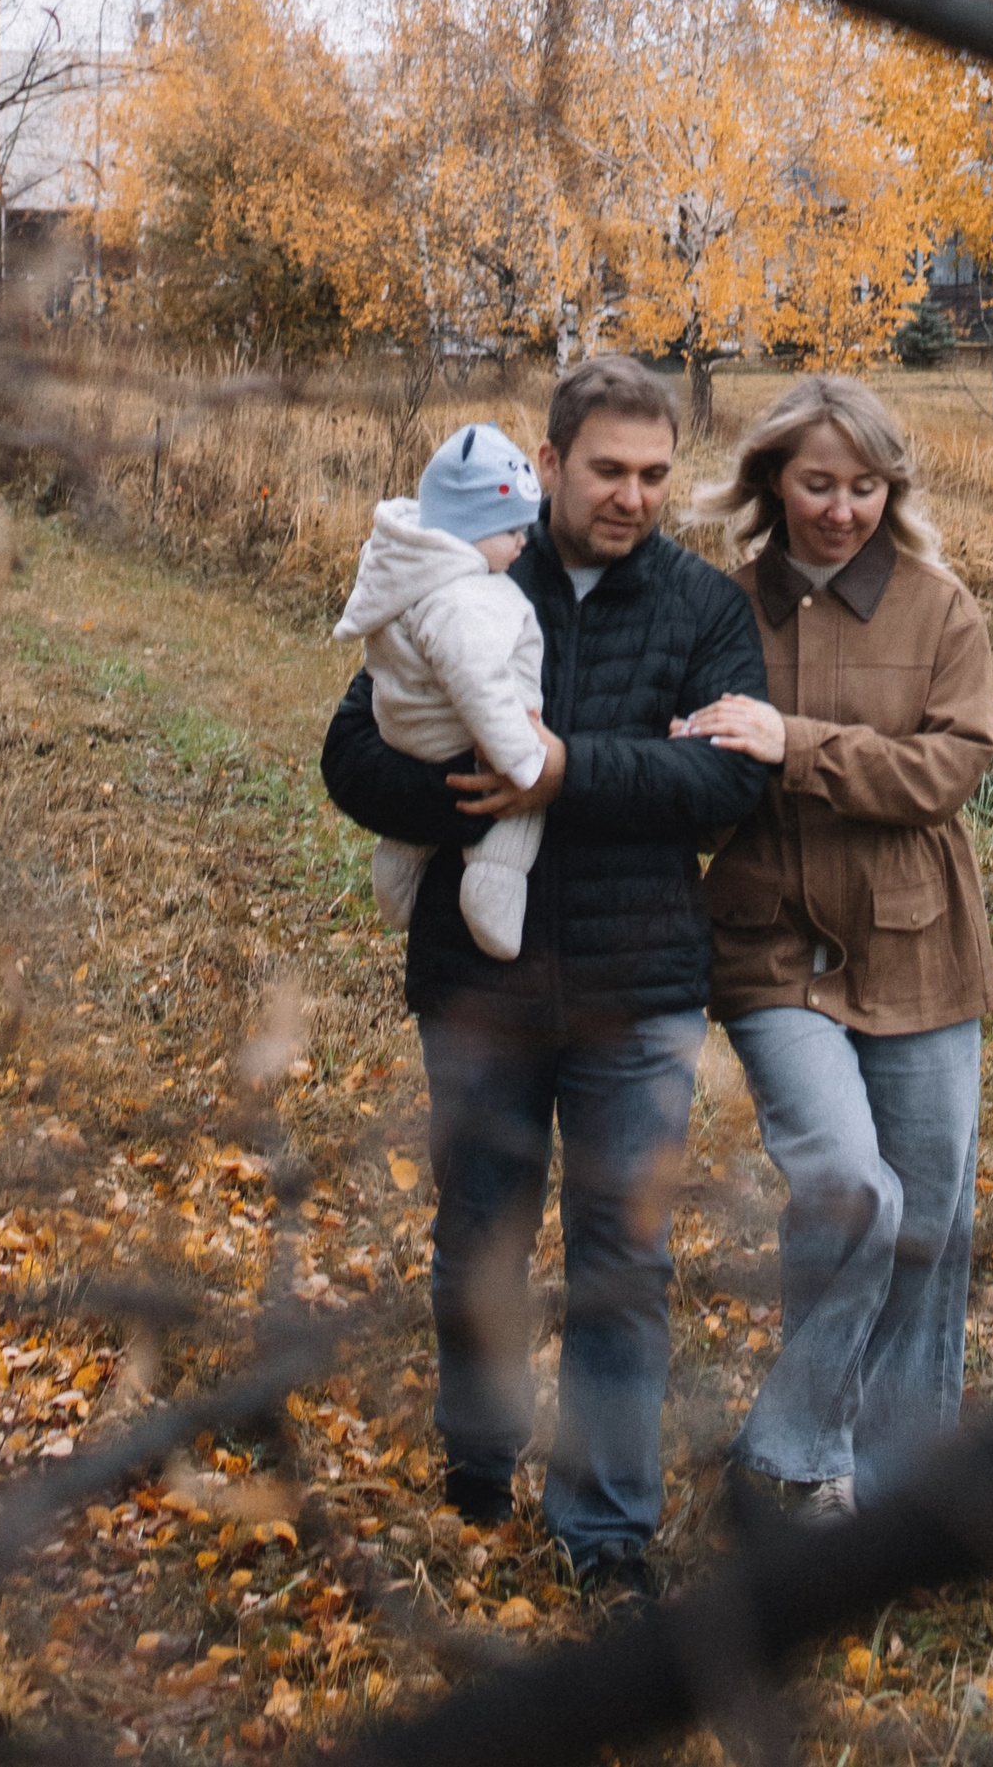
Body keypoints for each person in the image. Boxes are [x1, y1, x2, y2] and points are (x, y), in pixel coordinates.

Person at [321, 355, 767, 1595]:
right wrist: (476, 797)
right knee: (479, 1230)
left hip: (640, 982)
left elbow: (730, 776)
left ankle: (607, 1528)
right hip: (478, 980)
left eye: (654, 473)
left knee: (623, 1258)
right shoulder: (461, 573)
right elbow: (351, 751)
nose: (632, 495)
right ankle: (477, 1459)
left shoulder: (700, 607)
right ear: (551, 460)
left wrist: (568, 772)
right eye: (609, 470)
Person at [672, 375, 993, 1521]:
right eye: (818, 482)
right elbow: (705, 796)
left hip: (917, 948)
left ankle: (898, 1494)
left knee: (929, 1218)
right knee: (852, 1190)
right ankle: (795, 1458)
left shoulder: (940, 608)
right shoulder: (717, 609)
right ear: (772, 481)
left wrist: (791, 743)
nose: (842, 509)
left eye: (865, 485)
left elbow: (942, 772)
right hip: (769, 945)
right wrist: (690, 763)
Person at [332, 421, 548, 961]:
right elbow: (480, 685)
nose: (525, 541)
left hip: (404, 735)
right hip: (456, 741)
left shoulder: (410, 569)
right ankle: (491, 891)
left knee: (415, 825)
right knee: (518, 810)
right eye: (511, 531)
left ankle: (399, 867)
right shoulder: (462, 599)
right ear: (468, 531)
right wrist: (524, 761)